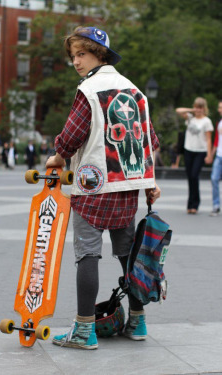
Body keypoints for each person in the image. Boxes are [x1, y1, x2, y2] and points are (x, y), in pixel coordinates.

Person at [46, 26, 161, 350]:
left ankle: (84, 331)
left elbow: (71, 136)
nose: (76, 62)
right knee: (127, 254)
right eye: (73, 56)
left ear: (99, 54)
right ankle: (137, 322)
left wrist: (57, 157)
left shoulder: (90, 89)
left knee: (88, 254)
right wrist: (150, 182)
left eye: (81, 54)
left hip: (94, 185)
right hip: (127, 186)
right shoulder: (135, 91)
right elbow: (149, 140)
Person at [176, 97, 213, 214]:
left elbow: (208, 139)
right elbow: (178, 110)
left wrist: (209, 154)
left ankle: (195, 204)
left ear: (204, 109)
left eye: (200, 108)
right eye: (197, 107)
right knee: (190, 177)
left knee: (194, 175)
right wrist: (192, 110)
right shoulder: (190, 118)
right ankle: (190, 204)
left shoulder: (207, 121)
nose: (198, 110)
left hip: (200, 151)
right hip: (188, 150)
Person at [207, 100, 222, 216]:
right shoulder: (219, 122)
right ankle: (216, 206)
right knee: (214, 178)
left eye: (221, 108)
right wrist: (211, 154)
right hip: (219, 155)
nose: (219, 110)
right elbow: (217, 140)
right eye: (219, 107)